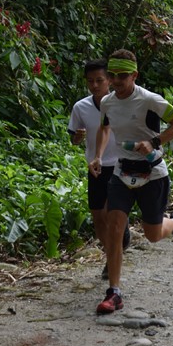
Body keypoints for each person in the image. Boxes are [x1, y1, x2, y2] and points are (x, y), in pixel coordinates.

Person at [89, 49, 173, 315]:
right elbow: (105, 127)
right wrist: (98, 155)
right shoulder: (107, 103)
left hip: (153, 172)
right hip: (122, 171)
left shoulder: (149, 100)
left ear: (134, 75)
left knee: (152, 235)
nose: (117, 81)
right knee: (114, 228)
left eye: (122, 76)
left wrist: (155, 142)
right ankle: (114, 292)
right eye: (113, 75)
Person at [68, 59, 130, 279]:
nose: (94, 85)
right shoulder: (81, 107)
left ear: (109, 80)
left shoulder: (122, 104)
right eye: (90, 81)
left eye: (99, 80)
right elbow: (73, 138)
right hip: (96, 166)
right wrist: (77, 137)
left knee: (109, 213)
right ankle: (111, 253)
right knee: (98, 217)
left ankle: (114, 257)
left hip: (121, 164)